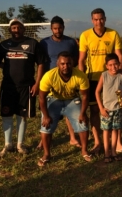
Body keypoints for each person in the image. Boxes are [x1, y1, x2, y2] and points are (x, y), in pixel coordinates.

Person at [0, 19, 46, 157]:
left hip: (26, 86)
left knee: (22, 116)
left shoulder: (33, 44)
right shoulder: (4, 45)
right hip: (8, 86)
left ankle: (20, 144)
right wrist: (7, 67)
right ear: (10, 30)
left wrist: (37, 83)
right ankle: (7, 144)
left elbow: (41, 64)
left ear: (23, 29)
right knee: (7, 115)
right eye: (13, 28)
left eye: (19, 27)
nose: (16, 30)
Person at [78, 8, 122, 154]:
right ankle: (98, 142)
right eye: (96, 19)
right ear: (92, 20)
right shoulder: (85, 35)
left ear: (105, 18)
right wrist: (82, 78)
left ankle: (117, 143)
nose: (99, 22)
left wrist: (118, 74)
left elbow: (119, 56)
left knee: (115, 109)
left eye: (101, 19)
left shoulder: (113, 33)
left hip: (110, 79)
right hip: (92, 78)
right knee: (95, 110)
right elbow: (81, 60)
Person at [38, 51, 91, 167]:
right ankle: (47, 154)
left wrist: (83, 113)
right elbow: (41, 97)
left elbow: (86, 96)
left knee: (83, 122)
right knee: (46, 125)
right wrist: (46, 116)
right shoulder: (49, 76)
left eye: (68, 63)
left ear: (73, 63)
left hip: (72, 100)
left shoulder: (80, 76)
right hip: (53, 99)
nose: (65, 66)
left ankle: (84, 151)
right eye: (62, 64)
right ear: (57, 63)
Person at [38, 16, 80, 149]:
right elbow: (41, 62)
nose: (57, 30)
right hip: (50, 82)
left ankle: (72, 138)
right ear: (51, 29)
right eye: (55, 28)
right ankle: (42, 139)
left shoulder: (71, 42)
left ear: (63, 27)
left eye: (60, 28)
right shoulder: (44, 43)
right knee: (46, 111)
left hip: (67, 81)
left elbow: (76, 60)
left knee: (68, 108)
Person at [96, 53, 122, 163]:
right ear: (106, 66)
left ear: (119, 64)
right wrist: (101, 108)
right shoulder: (104, 75)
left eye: (116, 64)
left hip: (118, 109)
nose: (113, 67)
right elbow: (97, 92)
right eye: (110, 65)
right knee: (106, 131)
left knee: (115, 130)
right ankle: (106, 153)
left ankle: (113, 151)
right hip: (106, 110)